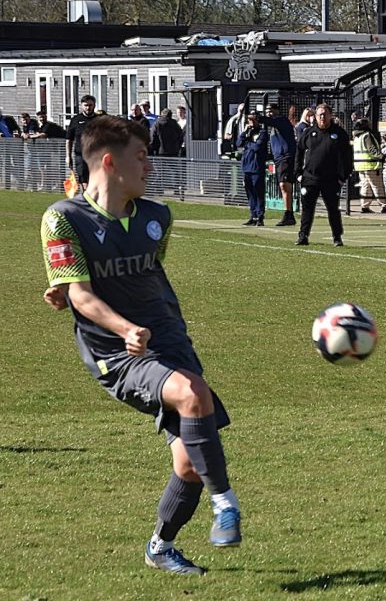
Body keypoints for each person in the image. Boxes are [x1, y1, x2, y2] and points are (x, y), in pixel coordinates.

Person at [40, 115, 241, 576]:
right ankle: (225, 504)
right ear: (109, 162)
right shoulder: (63, 218)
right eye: (141, 156)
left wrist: (64, 285)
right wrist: (122, 326)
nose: (151, 165)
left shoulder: (157, 217)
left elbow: (141, 273)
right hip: (116, 352)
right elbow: (83, 294)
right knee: (192, 394)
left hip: (170, 339)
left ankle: (160, 546)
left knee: (189, 462)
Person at [294, 104, 352, 247]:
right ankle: (303, 236)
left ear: (330, 115)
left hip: (331, 179)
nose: (322, 117)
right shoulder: (308, 132)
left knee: (333, 209)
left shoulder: (339, 133)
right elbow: (299, 152)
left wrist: (343, 176)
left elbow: (347, 157)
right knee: (307, 209)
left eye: (325, 114)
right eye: (319, 114)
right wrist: (298, 173)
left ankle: (337, 237)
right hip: (310, 178)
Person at [259, 103, 298, 226]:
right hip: (278, 159)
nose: (269, 113)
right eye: (267, 111)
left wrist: (257, 117)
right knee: (283, 185)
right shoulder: (273, 129)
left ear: (277, 110)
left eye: (271, 110)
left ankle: (289, 214)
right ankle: (288, 213)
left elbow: (269, 121)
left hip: (286, 157)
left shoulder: (281, 120)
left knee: (284, 185)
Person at [236, 112, 268, 226]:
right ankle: (253, 215)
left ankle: (260, 216)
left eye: (253, 120)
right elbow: (238, 143)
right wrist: (244, 133)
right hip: (246, 167)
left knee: (258, 192)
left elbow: (257, 147)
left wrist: (247, 143)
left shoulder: (262, 133)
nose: (251, 122)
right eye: (249, 120)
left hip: (256, 167)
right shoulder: (247, 133)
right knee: (250, 193)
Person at [66, 94, 100, 193]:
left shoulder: (99, 120)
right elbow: (69, 139)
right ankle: (85, 196)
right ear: (82, 106)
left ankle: (93, 196)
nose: (88, 107)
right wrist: (68, 156)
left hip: (95, 155)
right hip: (80, 154)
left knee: (94, 176)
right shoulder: (75, 120)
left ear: (94, 105)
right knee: (82, 177)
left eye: (90, 105)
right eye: (86, 105)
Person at [352, 117, 386, 213]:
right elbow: (372, 149)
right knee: (377, 186)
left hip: (360, 165)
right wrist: (381, 157)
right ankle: (384, 205)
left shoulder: (356, 137)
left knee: (365, 186)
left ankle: (364, 206)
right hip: (371, 165)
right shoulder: (367, 135)